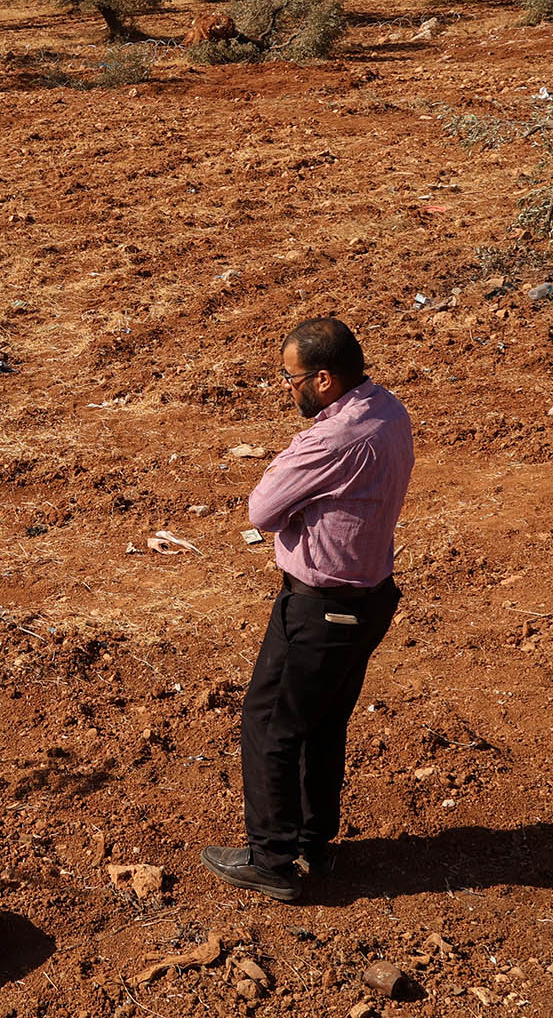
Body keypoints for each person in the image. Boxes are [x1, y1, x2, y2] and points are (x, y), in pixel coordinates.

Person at [201, 317, 413, 902]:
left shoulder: (330, 439)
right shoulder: (388, 410)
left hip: (320, 609)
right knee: (322, 723)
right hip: (369, 602)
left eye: (289, 378)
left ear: (323, 379)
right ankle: (313, 843)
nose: (285, 389)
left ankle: (270, 859)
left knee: (271, 724)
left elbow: (263, 509)